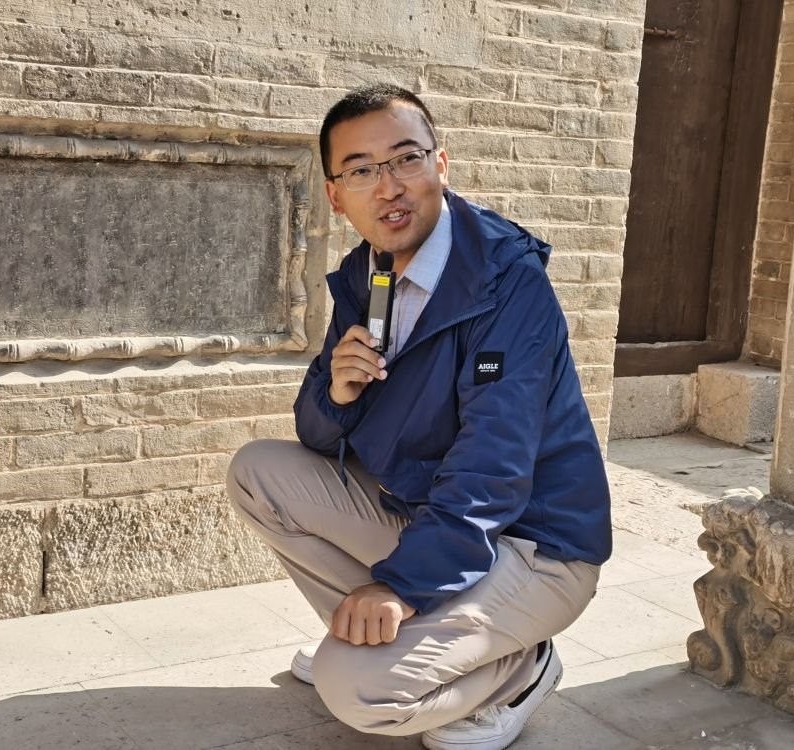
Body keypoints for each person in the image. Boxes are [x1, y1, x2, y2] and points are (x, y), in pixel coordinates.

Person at [226, 83, 611, 750]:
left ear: (441, 164)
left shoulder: (506, 281)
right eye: (361, 171)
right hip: (426, 513)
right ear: (335, 195)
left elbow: (492, 467)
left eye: (406, 159)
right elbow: (316, 438)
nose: (389, 187)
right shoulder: (365, 275)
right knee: (258, 473)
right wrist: (336, 394)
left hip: (534, 545)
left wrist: (401, 587)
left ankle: (520, 669)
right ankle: (393, 641)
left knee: (356, 691)